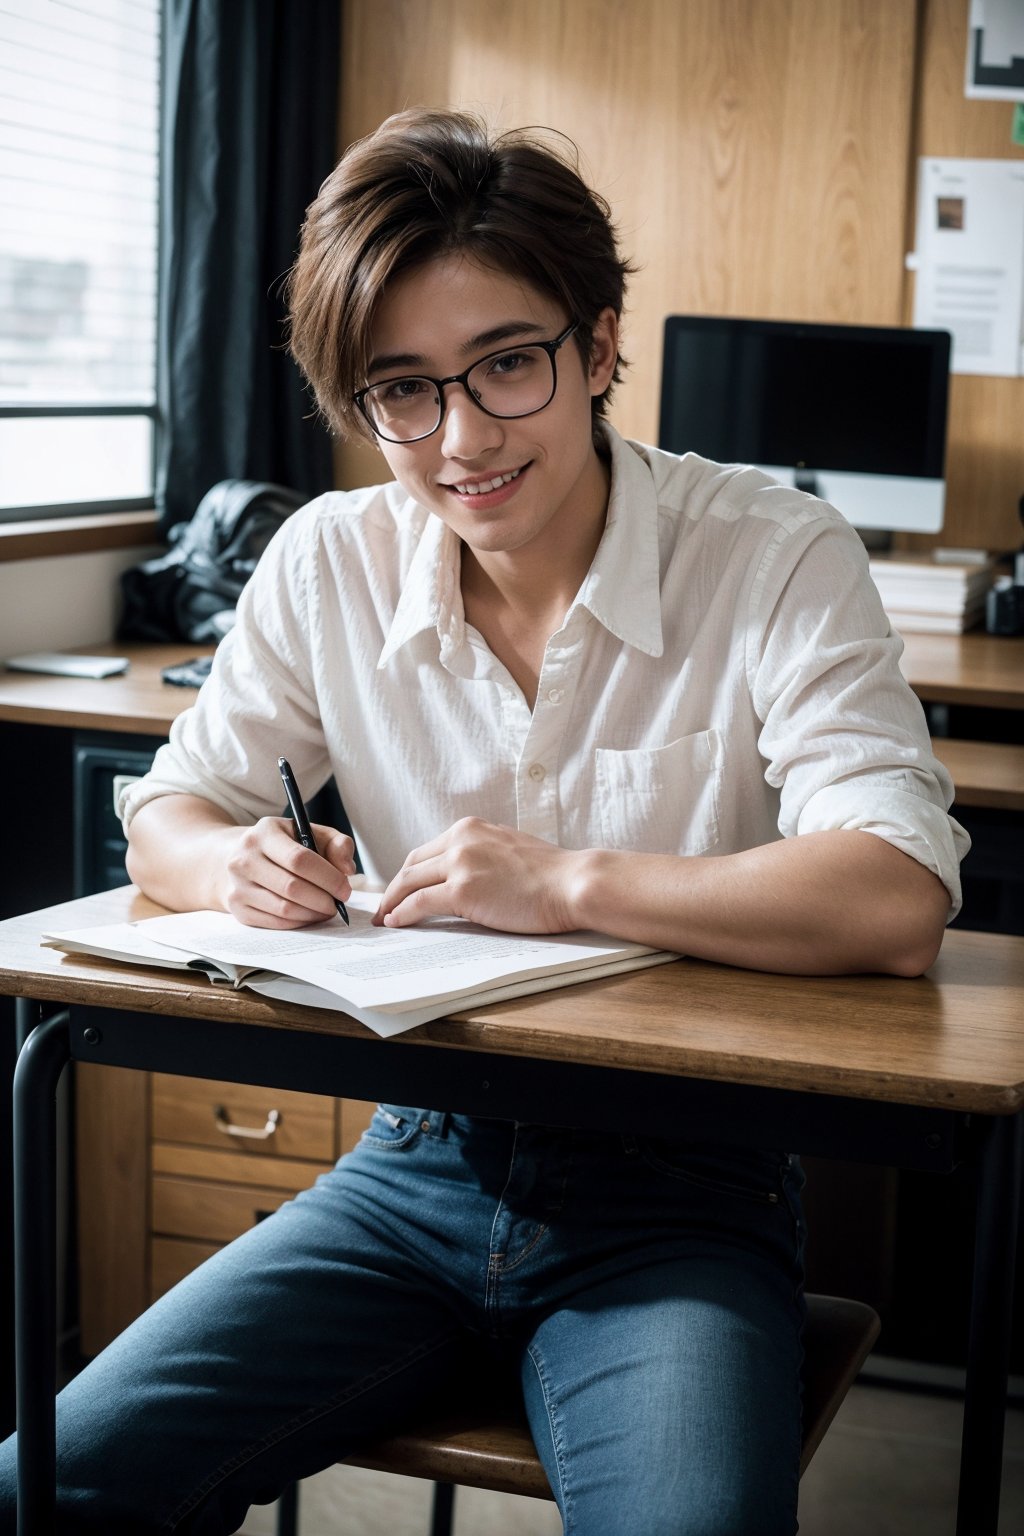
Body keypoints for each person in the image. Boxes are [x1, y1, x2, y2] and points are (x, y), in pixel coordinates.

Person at [0, 108, 967, 1535]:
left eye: (507, 365)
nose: (461, 440)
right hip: (410, 1174)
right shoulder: (330, 556)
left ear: (599, 345)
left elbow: (894, 895)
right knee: (48, 1486)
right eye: (404, 390)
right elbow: (172, 814)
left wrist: (570, 878)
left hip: (681, 1199)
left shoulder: (772, 552)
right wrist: (235, 861)